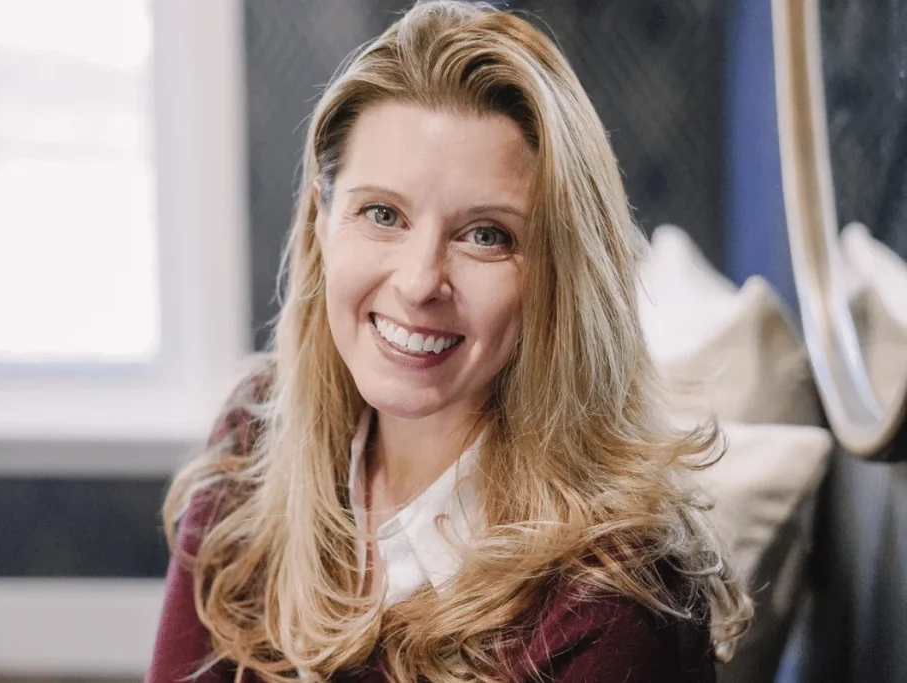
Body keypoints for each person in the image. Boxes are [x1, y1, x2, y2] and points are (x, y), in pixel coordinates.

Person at [145, 2, 751, 681]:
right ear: (322, 220)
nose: (419, 281)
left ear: (559, 271)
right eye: (382, 213)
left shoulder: (613, 603)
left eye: (485, 234)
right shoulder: (252, 440)